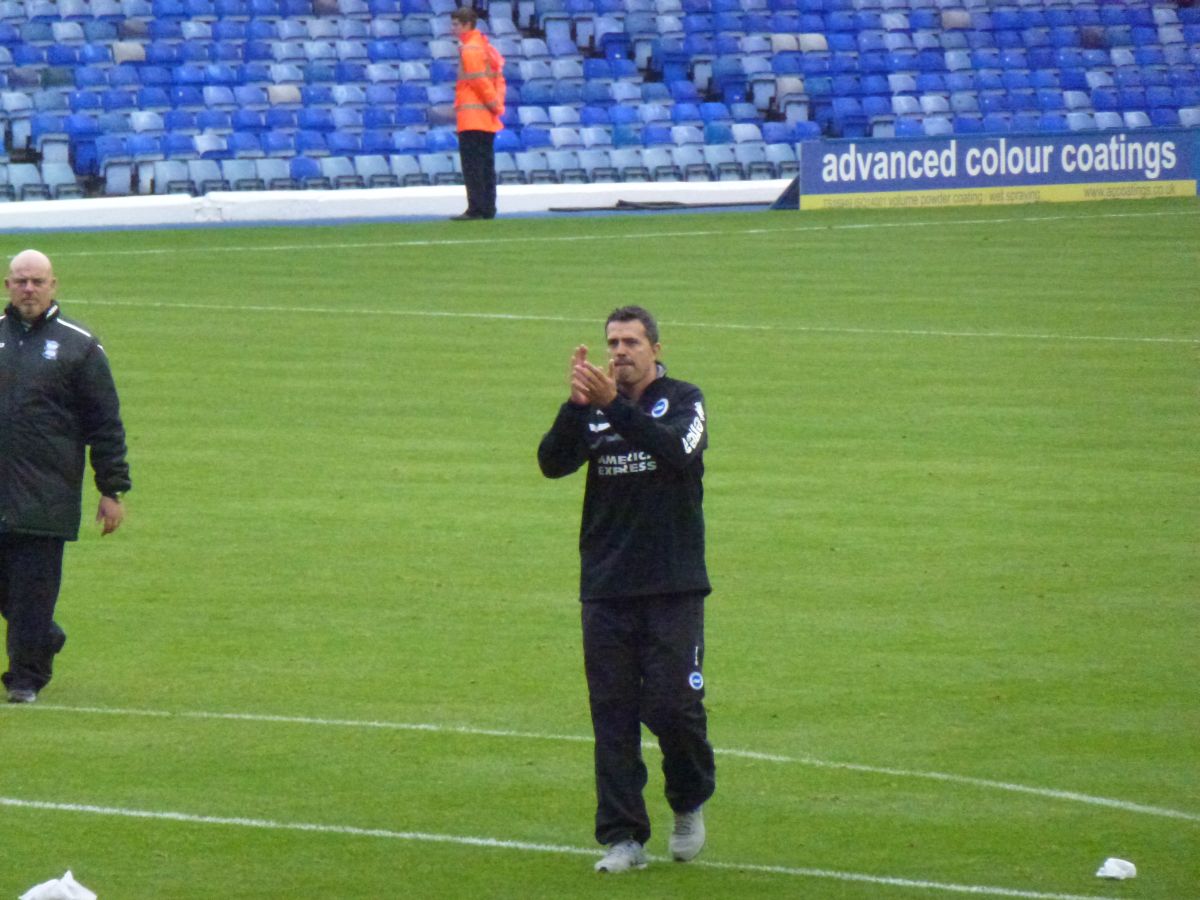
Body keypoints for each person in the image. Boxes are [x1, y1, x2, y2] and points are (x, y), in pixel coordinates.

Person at [538, 306, 715, 874]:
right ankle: (624, 839)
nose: (619, 351)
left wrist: (613, 405)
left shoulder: (686, 400)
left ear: (656, 349)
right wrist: (575, 407)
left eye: (631, 342)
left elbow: (677, 453)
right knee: (611, 713)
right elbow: (550, 464)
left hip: (672, 584)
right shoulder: (592, 411)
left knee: (675, 706)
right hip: (607, 586)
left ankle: (687, 800)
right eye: (612, 342)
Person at [0, 249, 131, 704]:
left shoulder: (80, 346)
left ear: (53, 285)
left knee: (33, 592)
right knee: (14, 597)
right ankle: (43, 637)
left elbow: (105, 422)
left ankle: (24, 679)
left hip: (45, 494)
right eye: (21, 281)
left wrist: (111, 489)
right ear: (7, 286)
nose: (29, 289)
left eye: (37, 281)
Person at [449, 6, 505, 221]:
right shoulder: (487, 47)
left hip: (472, 118)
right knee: (486, 165)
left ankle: (476, 208)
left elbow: (477, 80)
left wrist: (493, 104)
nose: (452, 28)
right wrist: (497, 105)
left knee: (472, 166)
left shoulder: (470, 48)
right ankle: (488, 207)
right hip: (487, 119)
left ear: (466, 24)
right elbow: (498, 76)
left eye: (455, 24)